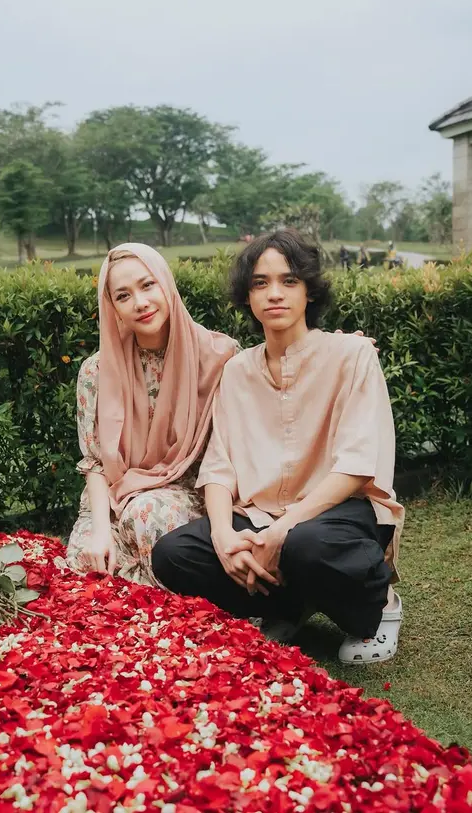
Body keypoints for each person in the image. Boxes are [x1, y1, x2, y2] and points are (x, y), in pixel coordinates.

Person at [152, 229, 404, 664]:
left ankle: (380, 608)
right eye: (260, 283)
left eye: (289, 281)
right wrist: (223, 535)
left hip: (338, 514)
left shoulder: (352, 356)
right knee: (174, 555)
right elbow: (220, 467)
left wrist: (282, 529)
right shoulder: (237, 372)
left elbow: (357, 465)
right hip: (259, 514)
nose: (274, 293)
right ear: (247, 296)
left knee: (305, 544)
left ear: (309, 291)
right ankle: (286, 606)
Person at [65, 243, 238, 585]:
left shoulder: (220, 358)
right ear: (113, 307)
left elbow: (238, 443)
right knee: (91, 565)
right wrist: (100, 531)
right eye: (123, 295)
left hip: (190, 495)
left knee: (147, 515)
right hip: (113, 501)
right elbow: (96, 464)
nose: (140, 302)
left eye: (148, 285)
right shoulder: (97, 371)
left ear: (166, 284)